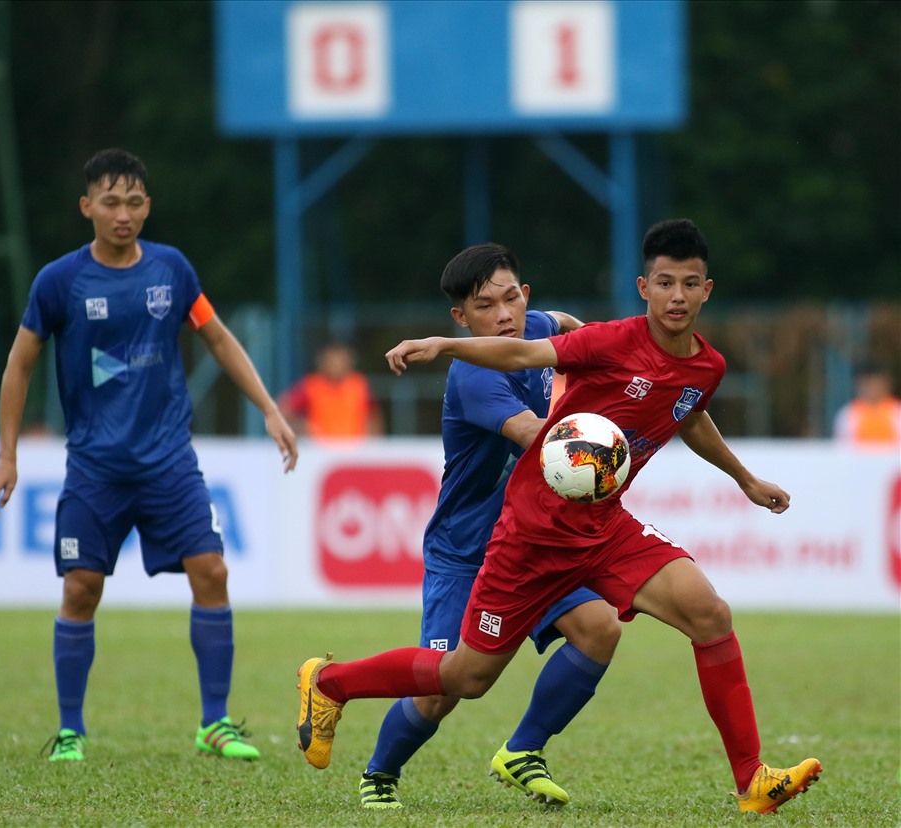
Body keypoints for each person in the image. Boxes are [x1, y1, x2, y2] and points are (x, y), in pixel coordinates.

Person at [296, 219, 822, 815]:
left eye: (689, 284)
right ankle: (332, 686)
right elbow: (536, 421)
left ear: (707, 290)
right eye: (665, 283)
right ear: (644, 288)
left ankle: (750, 779)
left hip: (601, 525)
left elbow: (686, 408)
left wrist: (745, 478)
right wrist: (445, 347)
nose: (677, 296)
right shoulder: (503, 367)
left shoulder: (703, 365)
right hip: (521, 537)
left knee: (703, 613)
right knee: (463, 680)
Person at [0, 148, 298, 762]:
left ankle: (215, 723)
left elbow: (217, 338)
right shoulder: (58, 282)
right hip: (95, 468)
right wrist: (7, 455)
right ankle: (70, 730)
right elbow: (19, 364)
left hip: (168, 463)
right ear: (87, 207)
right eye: (110, 202)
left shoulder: (172, 270)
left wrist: (269, 407)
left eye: (133, 202)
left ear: (147, 206)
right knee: (81, 588)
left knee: (212, 572)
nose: (122, 214)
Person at [356, 244, 621, 809]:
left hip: (527, 544)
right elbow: (536, 437)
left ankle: (523, 749)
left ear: (525, 295)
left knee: (599, 628)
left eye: (511, 299)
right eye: (485, 306)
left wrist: (600, 350)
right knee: (445, 688)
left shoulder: (536, 328)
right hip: (465, 552)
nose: (504, 316)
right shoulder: (474, 376)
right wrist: (605, 442)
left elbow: (567, 324)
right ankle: (379, 773)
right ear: (461, 318)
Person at [278, 338, 384, 439]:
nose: (336, 364)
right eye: (332, 360)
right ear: (322, 361)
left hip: (355, 448)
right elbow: (283, 409)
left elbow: (374, 416)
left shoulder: (360, 385)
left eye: (341, 360)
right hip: (320, 448)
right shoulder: (312, 385)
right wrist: (303, 427)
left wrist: (371, 442)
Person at [832, 358, 900, 444]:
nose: (872, 388)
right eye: (867, 383)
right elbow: (841, 447)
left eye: (876, 382)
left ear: (886, 383)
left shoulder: (897, 411)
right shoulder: (848, 414)